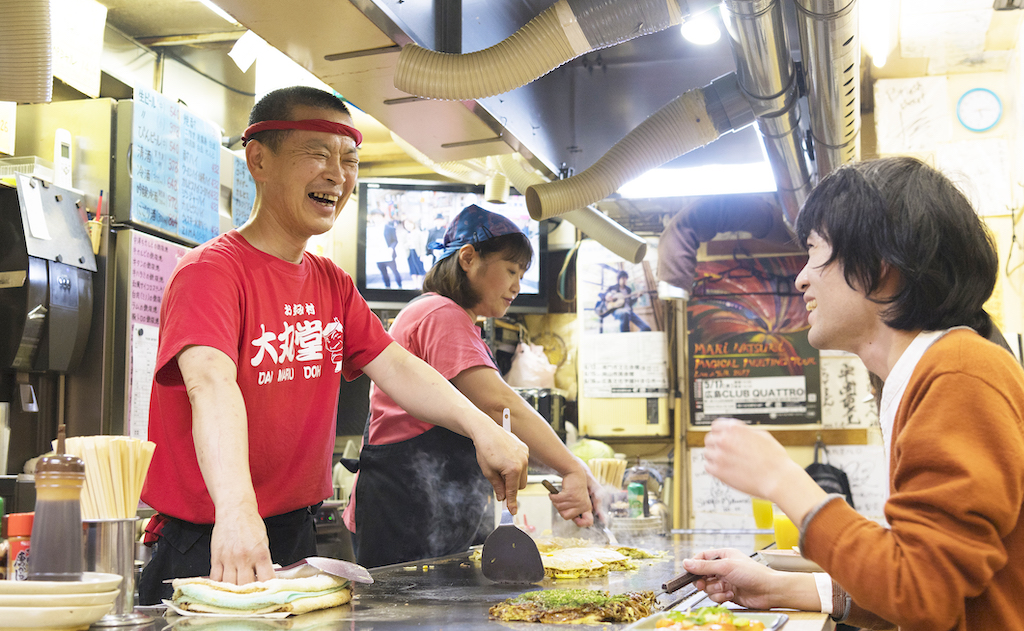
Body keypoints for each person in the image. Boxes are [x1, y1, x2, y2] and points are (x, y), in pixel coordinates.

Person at [138, 87, 529, 603]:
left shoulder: (331, 282)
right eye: (317, 155)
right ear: (259, 159)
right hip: (212, 537)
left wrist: (483, 430)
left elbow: (397, 366)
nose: (338, 176)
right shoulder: (211, 272)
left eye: (349, 160)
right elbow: (210, 384)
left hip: (292, 533)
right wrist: (235, 511)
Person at [681, 156, 1024, 631]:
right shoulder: (930, 371)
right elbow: (922, 582)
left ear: (880, 266)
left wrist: (783, 479)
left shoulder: (960, 372)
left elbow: (925, 594)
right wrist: (778, 586)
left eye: (814, 251)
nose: (801, 277)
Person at [343, 204, 600, 567]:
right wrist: (572, 468)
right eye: (511, 270)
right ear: (468, 258)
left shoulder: (448, 318)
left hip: (428, 509)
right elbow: (498, 405)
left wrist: (570, 467)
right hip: (406, 509)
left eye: (522, 274)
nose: (517, 285)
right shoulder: (440, 314)